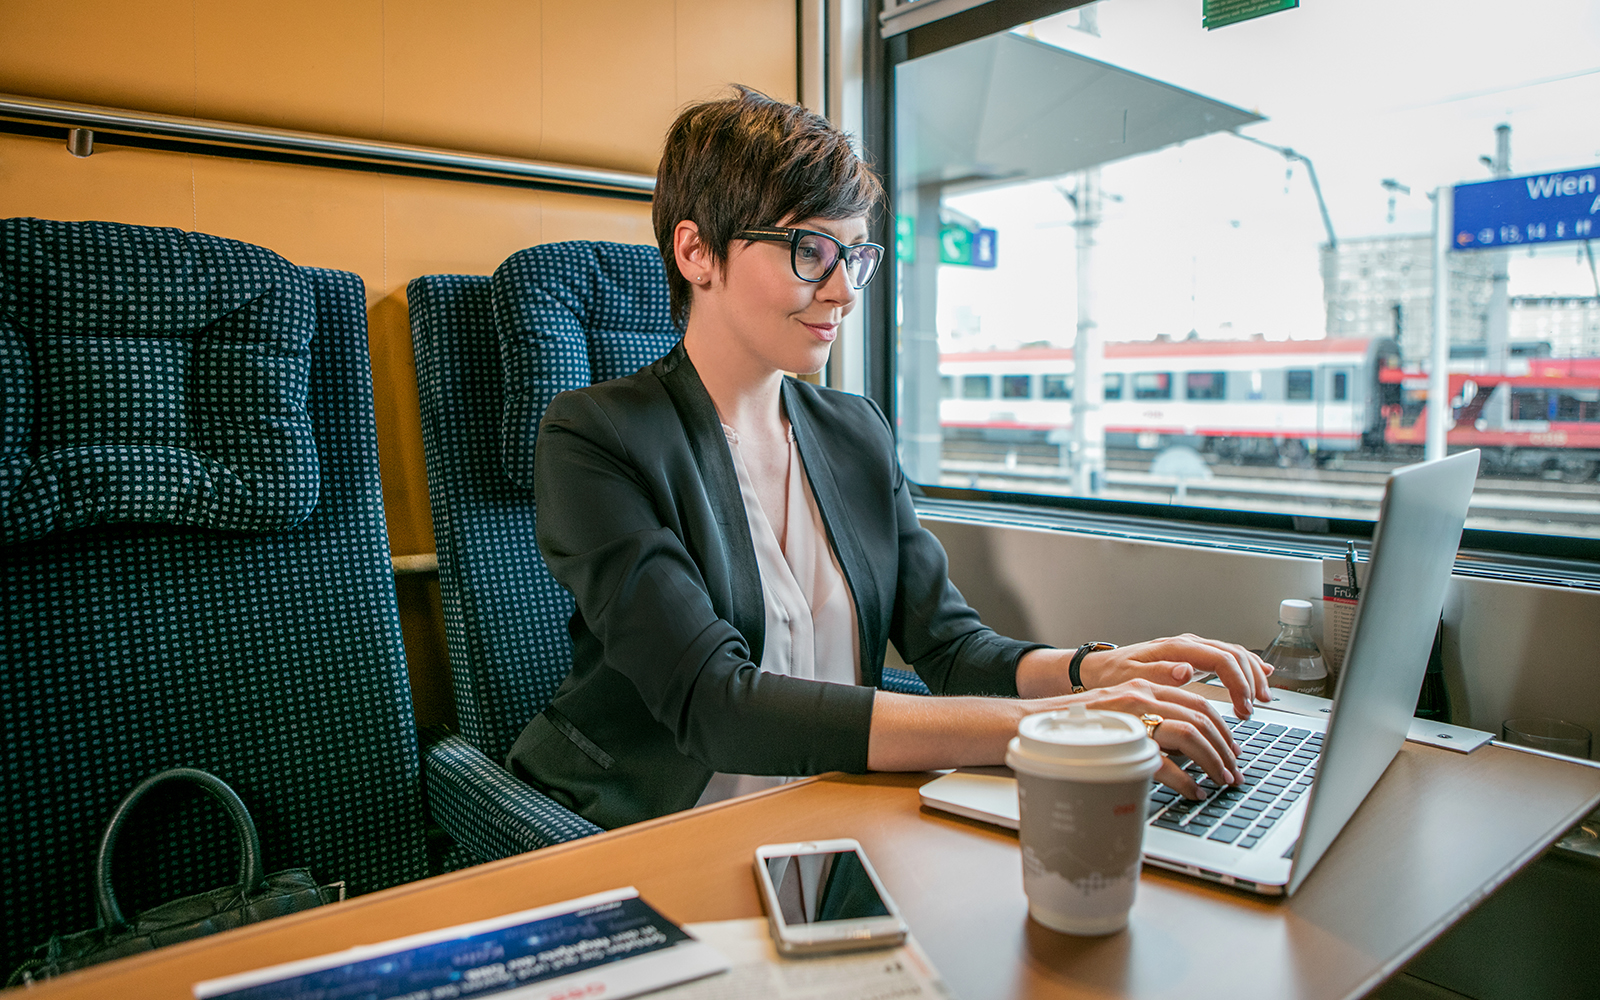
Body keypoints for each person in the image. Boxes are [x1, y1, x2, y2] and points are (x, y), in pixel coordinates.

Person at [506, 87, 1272, 831]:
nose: (842, 291)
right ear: (696, 250)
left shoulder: (854, 432)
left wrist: (1093, 671)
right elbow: (718, 704)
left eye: (854, 257)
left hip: (833, 815)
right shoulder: (595, 436)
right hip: (657, 829)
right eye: (810, 251)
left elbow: (951, 648)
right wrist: (1058, 722)